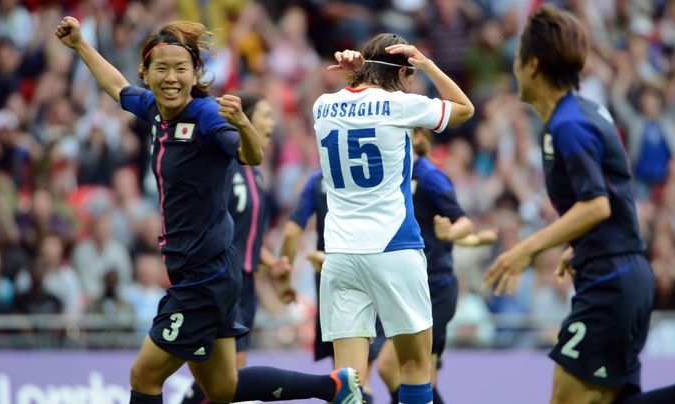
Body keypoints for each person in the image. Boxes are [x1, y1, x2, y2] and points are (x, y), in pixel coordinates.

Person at [55, 16, 362, 404]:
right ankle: (332, 387)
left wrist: (244, 125)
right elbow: (117, 87)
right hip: (202, 270)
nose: (171, 77)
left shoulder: (206, 115)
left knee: (144, 376)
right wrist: (81, 44)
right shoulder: (154, 110)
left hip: (205, 275)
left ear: (195, 73)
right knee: (222, 388)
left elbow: (250, 155)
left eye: (181, 69)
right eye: (161, 69)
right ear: (146, 74)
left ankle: (332, 387)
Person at [484, 6, 675, 404]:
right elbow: (613, 193)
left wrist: (526, 249)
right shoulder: (580, 114)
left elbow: (597, 205)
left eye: (516, 59)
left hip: (611, 282)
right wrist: (580, 245)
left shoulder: (569, 126)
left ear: (532, 65)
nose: (512, 68)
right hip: (617, 271)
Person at [314, 33, 474, 404]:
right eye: (411, 75)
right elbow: (463, 108)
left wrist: (358, 76)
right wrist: (427, 64)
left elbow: (357, 102)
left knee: (349, 380)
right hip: (393, 248)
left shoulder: (321, 105)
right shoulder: (400, 105)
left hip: (339, 254)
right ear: (404, 71)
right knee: (416, 368)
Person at [181, 91, 297, 404]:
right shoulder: (226, 164)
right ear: (245, 117)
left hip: (245, 283)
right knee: (229, 375)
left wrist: (271, 263)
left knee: (227, 377)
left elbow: (247, 235)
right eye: (267, 115)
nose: (273, 123)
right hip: (222, 279)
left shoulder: (256, 174)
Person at [377, 127, 497, 404]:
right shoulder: (393, 178)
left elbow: (460, 221)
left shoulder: (430, 176)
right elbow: (426, 234)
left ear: (417, 137)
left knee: (393, 368)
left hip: (435, 288)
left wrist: (456, 234)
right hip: (408, 287)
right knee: (422, 378)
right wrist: (475, 241)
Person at [279, 170, 386, 404]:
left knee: (342, 378)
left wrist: (285, 280)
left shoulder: (317, 181)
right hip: (368, 274)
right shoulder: (372, 172)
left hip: (331, 278)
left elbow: (290, 233)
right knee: (357, 379)